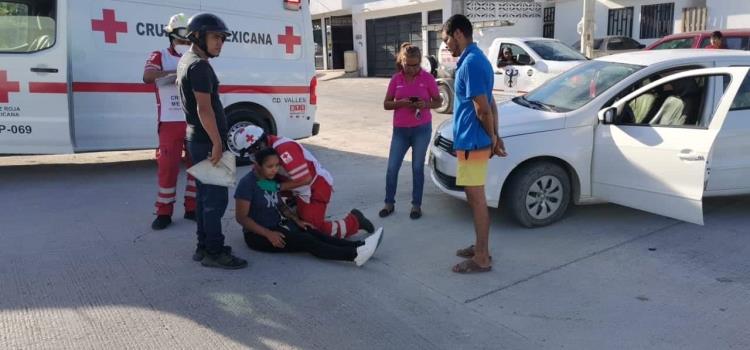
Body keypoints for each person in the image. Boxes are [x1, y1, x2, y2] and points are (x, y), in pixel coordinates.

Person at [177, 13, 247, 269]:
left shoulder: (188, 60)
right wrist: (217, 143)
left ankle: (203, 247)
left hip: (197, 139)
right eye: (215, 37)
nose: (220, 43)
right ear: (198, 36)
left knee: (205, 197)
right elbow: (204, 109)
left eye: (222, 38)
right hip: (207, 142)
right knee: (215, 201)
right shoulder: (200, 66)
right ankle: (215, 252)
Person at [235, 148, 383, 266]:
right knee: (307, 241)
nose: (275, 170)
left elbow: (280, 204)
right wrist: (268, 234)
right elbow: (241, 218)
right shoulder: (247, 184)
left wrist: (296, 220)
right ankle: (355, 256)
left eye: (277, 165)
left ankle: (360, 245)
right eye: (270, 166)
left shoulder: (269, 180)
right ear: (257, 166)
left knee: (311, 230)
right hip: (257, 236)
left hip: (276, 226)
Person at [441, 14, 507, 274]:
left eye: (447, 39)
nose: (446, 45)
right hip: (473, 141)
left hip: (473, 142)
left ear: (458, 33)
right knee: (473, 198)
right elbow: (489, 103)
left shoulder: (471, 63)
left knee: (476, 199)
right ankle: (481, 246)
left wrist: (491, 138)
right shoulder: (475, 60)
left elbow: (483, 110)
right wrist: (496, 135)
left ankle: (481, 257)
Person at [230, 125, 376, 239]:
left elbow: (304, 179)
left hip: (315, 186)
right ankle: (297, 209)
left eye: (252, 152)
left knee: (313, 229)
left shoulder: (284, 149)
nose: (252, 156)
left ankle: (354, 221)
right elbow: (259, 178)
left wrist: (277, 187)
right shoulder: (265, 151)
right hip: (296, 187)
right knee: (297, 220)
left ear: (259, 145)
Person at [144, 13, 197, 230]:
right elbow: (148, 76)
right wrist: (176, 71)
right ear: (172, 36)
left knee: (196, 166)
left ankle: (192, 208)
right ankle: (164, 212)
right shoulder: (160, 55)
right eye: (182, 38)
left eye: (189, 39)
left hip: (194, 121)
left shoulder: (197, 57)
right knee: (168, 167)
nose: (185, 43)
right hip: (170, 121)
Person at [380, 43, 442, 220]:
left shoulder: (428, 78)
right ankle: (388, 203)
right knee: (392, 168)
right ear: (402, 61)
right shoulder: (396, 79)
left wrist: (426, 104)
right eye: (408, 64)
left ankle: (416, 206)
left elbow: (437, 101)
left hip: (421, 130)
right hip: (400, 131)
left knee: (417, 168)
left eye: (416, 65)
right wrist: (402, 103)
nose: (412, 69)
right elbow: (386, 104)